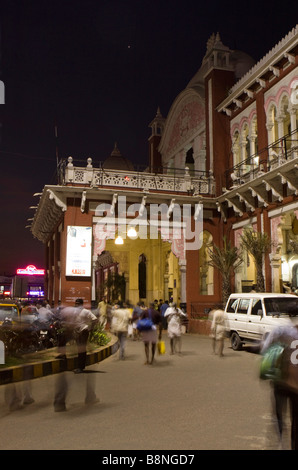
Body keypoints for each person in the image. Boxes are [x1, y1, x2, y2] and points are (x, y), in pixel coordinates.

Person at [261, 324, 298, 449]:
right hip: (296, 386)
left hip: (280, 381)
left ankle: (281, 439)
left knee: (279, 414)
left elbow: (265, 349)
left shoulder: (281, 332)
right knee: (295, 419)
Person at [73, 298, 98, 373]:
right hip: (77, 332)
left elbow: (95, 319)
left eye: (78, 304)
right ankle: (81, 366)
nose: (77, 305)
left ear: (81, 304)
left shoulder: (86, 312)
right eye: (76, 303)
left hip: (84, 331)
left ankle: (80, 367)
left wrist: (90, 328)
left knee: (82, 349)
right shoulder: (74, 312)